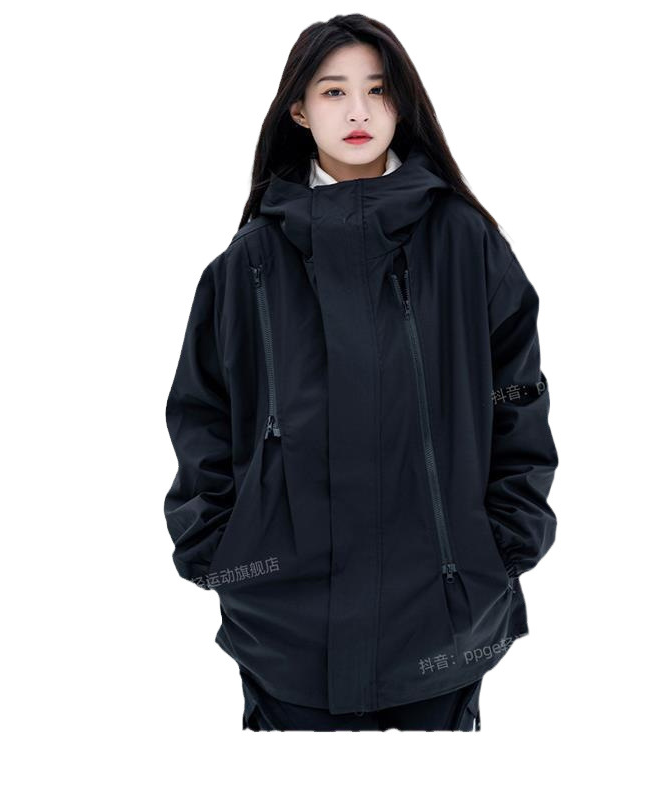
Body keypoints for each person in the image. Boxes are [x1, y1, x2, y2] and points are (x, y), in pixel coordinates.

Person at [163, 13, 558, 732]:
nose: (358, 112)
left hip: (444, 623)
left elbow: (518, 397)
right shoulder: (248, 263)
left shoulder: (466, 243)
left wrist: (504, 542)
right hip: (286, 632)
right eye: (333, 91)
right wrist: (219, 548)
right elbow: (202, 412)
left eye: (377, 90)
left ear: (402, 104)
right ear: (298, 109)